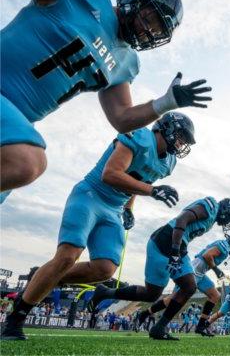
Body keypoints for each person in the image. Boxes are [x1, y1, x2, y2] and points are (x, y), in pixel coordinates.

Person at [0, 0, 212, 203]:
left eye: (157, 31)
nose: (148, 32)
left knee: (12, 172)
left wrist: (166, 102)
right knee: (26, 162)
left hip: (16, 123)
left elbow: (122, 118)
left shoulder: (125, 62)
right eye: (149, 19)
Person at [0, 112, 195, 341]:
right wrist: (151, 191)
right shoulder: (141, 136)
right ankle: (16, 319)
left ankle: (46, 277)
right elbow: (111, 174)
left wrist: (129, 208)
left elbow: (139, 180)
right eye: (181, 136)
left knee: (104, 269)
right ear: (166, 128)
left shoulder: (168, 162)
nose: (181, 143)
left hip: (114, 209)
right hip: (91, 195)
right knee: (67, 257)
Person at [87, 197, 230, 340]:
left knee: (153, 294)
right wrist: (175, 250)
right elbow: (183, 218)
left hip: (177, 246)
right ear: (227, 211)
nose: (229, 222)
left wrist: (178, 249)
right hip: (165, 243)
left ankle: (106, 293)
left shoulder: (212, 218)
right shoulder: (211, 207)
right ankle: (158, 327)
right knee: (185, 287)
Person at [135, 233, 230, 339]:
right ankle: (145, 314)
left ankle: (200, 326)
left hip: (200, 272)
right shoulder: (225, 246)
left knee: (215, 295)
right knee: (173, 299)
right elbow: (207, 256)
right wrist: (217, 270)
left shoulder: (224, 245)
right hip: (194, 270)